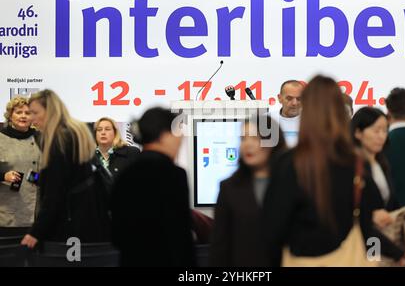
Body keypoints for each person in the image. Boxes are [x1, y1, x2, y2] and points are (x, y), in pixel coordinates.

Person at [263, 75, 405, 266]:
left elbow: (272, 231)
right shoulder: (356, 164)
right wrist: (388, 256)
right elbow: (367, 228)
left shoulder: (287, 163)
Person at [111, 107, 195, 266]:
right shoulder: (173, 175)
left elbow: (117, 233)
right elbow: (180, 236)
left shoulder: (125, 174)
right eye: (177, 132)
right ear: (163, 136)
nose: (181, 138)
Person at [21, 90, 103, 248]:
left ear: (50, 110)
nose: (31, 118)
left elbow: (55, 193)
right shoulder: (76, 132)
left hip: (68, 226)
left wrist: (36, 232)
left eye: (35, 113)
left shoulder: (59, 141)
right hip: (87, 223)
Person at [209, 115, 286, 266]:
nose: (247, 145)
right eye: (243, 138)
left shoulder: (292, 184)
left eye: (255, 138)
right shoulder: (229, 188)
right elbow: (219, 247)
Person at [351, 107, 405, 258]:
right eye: (376, 131)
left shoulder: (381, 163)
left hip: (380, 240)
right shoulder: (350, 166)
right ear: (358, 133)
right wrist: (369, 216)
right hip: (359, 241)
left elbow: (389, 203)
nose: (381, 136)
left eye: (385, 130)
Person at [0, 96, 41, 228]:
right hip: (8, 214)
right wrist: (3, 176)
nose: (23, 116)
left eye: (27, 113)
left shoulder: (40, 138)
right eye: (18, 112)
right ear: (10, 116)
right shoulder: (1, 138)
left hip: (37, 212)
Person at [270, 80, 305, 148]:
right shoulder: (266, 120)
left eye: (299, 99)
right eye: (289, 98)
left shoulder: (312, 122)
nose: (294, 103)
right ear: (280, 98)